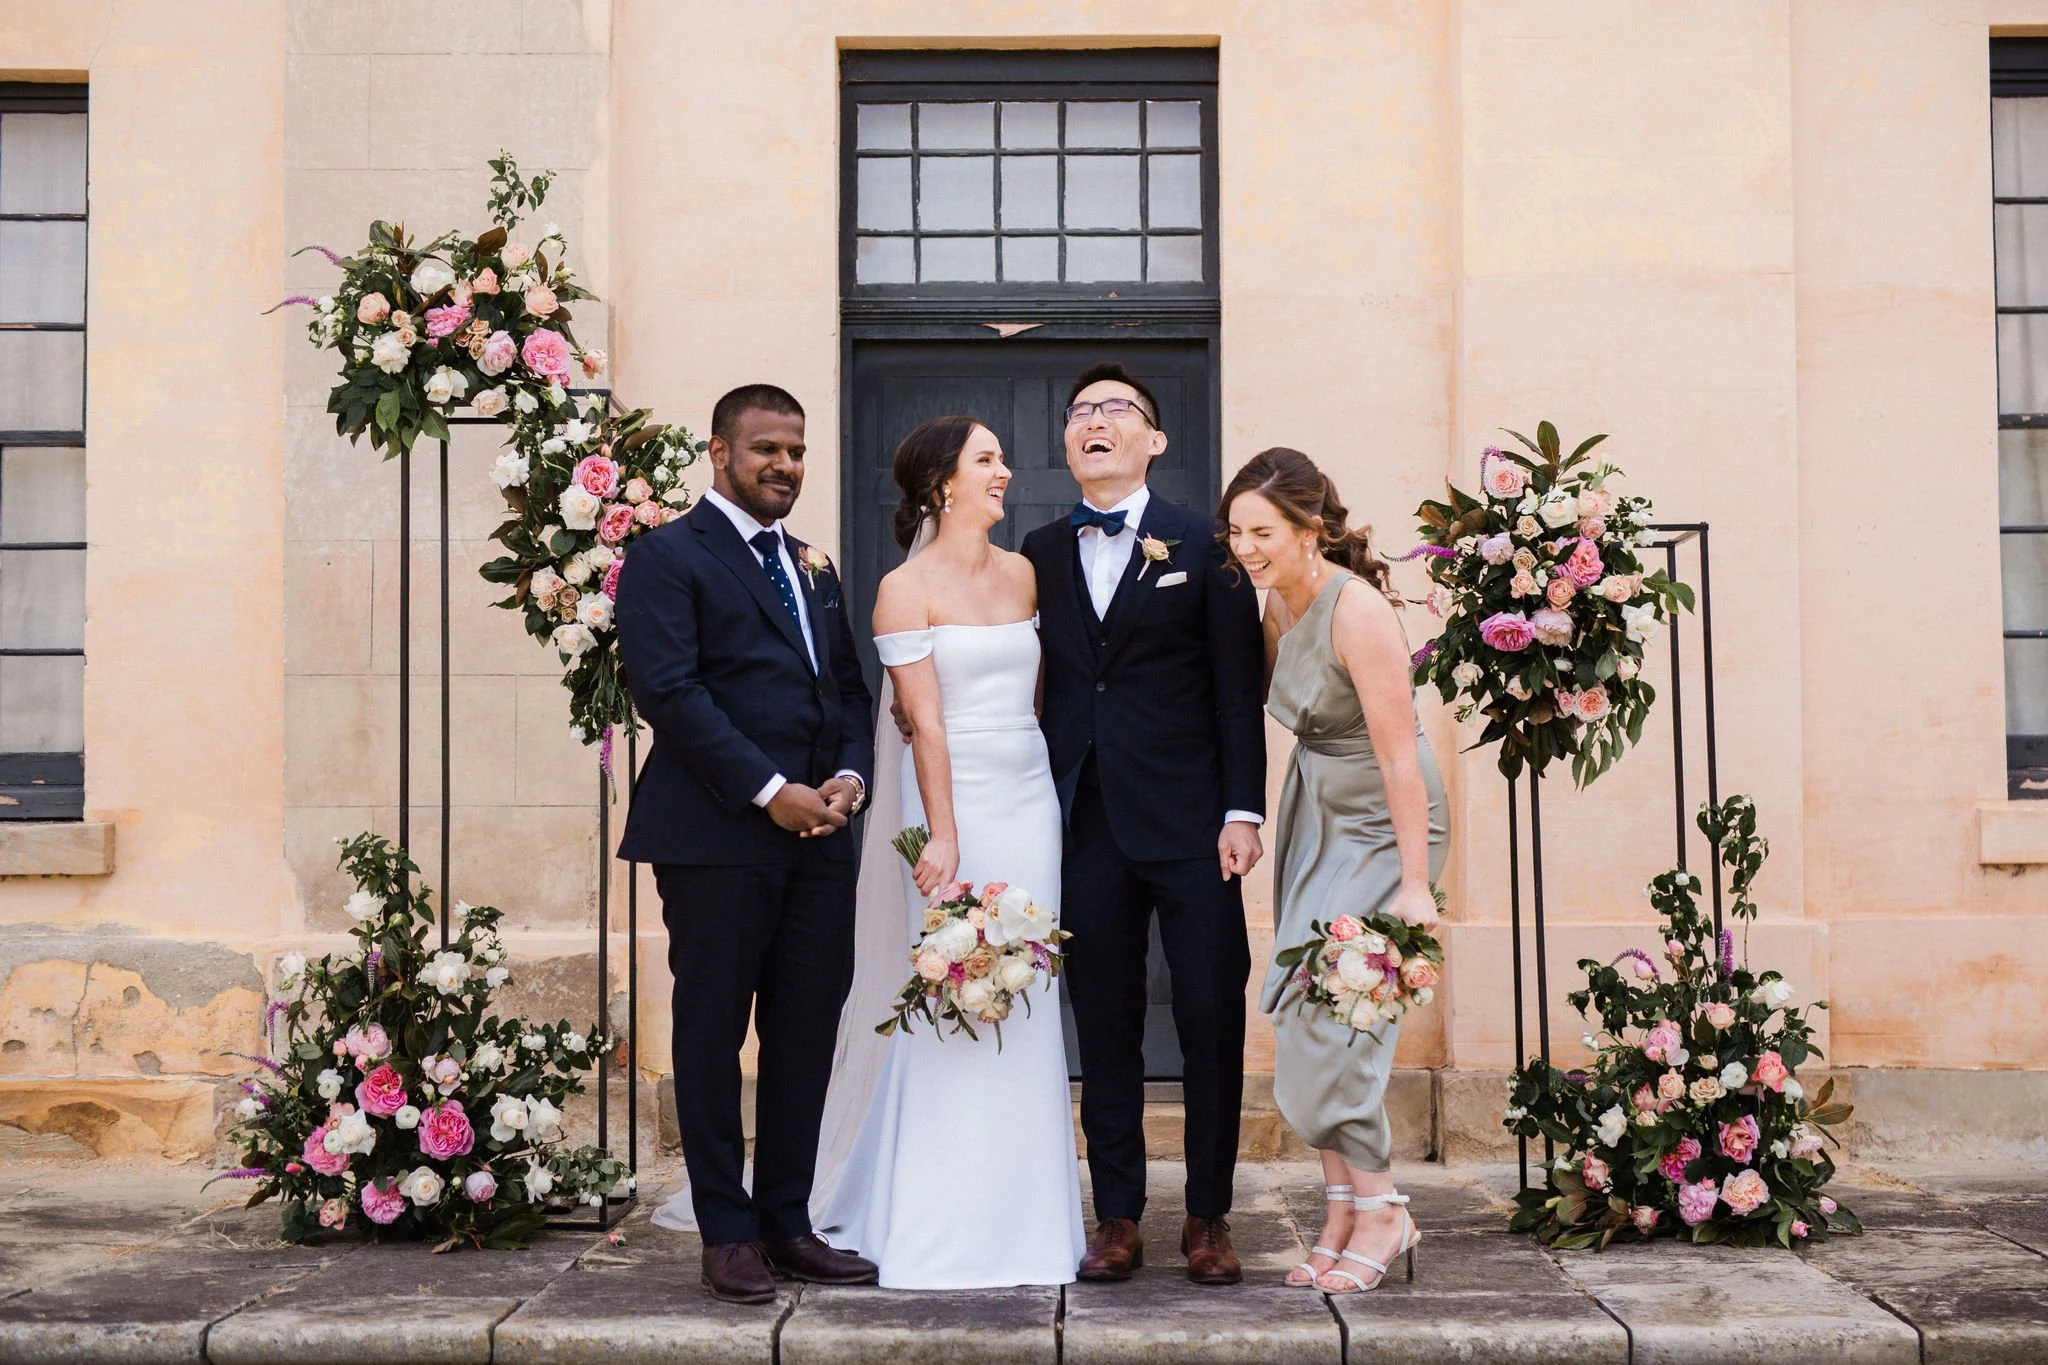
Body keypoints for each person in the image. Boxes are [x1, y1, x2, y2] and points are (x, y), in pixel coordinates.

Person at [615, 384, 879, 1305]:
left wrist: (848, 780)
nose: (786, 466)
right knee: (713, 1033)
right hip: (717, 835)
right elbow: (671, 694)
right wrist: (771, 793)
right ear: (720, 453)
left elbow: (850, 690)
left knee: (806, 1033)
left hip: (821, 840)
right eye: (767, 448)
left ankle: (787, 1221)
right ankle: (726, 1229)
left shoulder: (813, 564)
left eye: (797, 452)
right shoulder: (664, 555)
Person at [814, 416, 1087, 1288]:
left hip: (1027, 795)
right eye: (987, 460)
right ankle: (943, 1214)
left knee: (1028, 986)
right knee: (951, 980)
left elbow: (1037, 696)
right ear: (942, 484)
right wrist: (943, 831)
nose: (1007, 471)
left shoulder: (1025, 574)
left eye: (1004, 456)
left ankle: (1029, 1215)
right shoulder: (903, 588)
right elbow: (924, 718)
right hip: (950, 803)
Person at [1018, 363, 1267, 1285]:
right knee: (1106, 1020)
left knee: (1208, 1012)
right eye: (1081, 410)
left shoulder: (1206, 544)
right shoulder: (1036, 550)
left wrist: (1244, 809)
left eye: (1116, 410)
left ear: (1154, 440)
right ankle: (1116, 1213)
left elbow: (1239, 690)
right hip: (1083, 821)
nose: (1095, 422)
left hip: (1197, 823)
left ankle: (1209, 1217)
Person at [1219, 447, 1449, 1294]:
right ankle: (1343, 1210)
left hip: (1386, 828)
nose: (1245, 547)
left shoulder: (1357, 612)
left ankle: (1386, 1206)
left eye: (1263, 531)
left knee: (1339, 1015)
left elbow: (1398, 759)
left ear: (1311, 528)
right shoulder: (1275, 599)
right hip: (1316, 816)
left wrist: (1415, 886)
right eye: (1236, 531)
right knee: (1298, 1003)